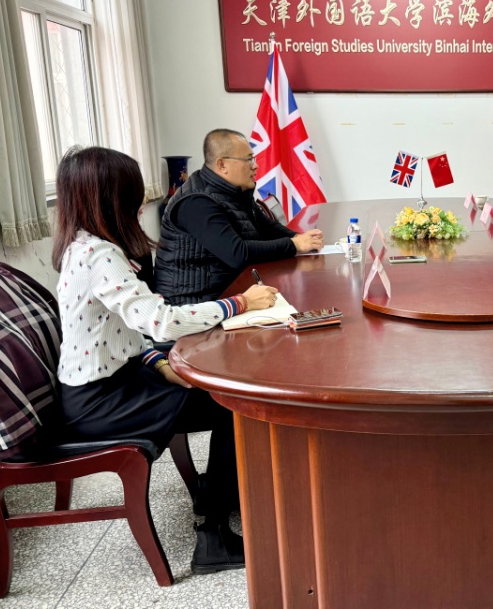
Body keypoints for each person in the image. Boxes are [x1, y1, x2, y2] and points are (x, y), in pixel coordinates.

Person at [52, 146, 280, 574]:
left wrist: (158, 365)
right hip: (101, 402)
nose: (141, 203)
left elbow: (125, 331)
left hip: (115, 383)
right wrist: (239, 304)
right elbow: (159, 321)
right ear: (109, 198)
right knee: (233, 405)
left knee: (222, 398)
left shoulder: (81, 245)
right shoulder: (99, 256)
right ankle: (212, 536)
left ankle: (225, 491)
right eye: (133, 193)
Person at [155, 128, 324, 305]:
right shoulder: (196, 202)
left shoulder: (233, 190)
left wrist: (299, 238)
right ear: (222, 165)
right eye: (248, 159)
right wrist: (294, 245)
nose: (255, 166)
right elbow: (237, 253)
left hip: (231, 292)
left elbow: (266, 227)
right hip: (197, 305)